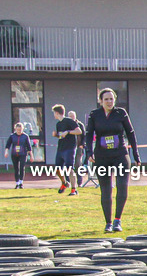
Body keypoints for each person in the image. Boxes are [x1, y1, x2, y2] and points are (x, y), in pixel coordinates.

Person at [85, 88, 141, 232]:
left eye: (111, 99)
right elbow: (89, 134)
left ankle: (117, 220)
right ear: (100, 101)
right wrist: (89, 152)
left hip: (120, 155)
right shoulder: (94, 115)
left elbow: (131, 133)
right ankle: (108, 223)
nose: (109, 102)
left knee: (122, 186)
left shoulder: (121, 113)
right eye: (106, 99)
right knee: (106, 190)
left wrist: (135, 154)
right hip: (102, 156)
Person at [51, 104, 82, 195]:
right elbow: (61, 136)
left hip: (70, 148)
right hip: (61, 148)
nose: (54, 115)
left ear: (57, 113)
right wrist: (56, 135)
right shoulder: (58, 124)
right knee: (57, 169)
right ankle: (64, 183)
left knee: (69, 169)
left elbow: (79, 131)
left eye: (54, 113)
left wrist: (68, 132)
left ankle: (74, 189)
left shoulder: (69, 121)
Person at [4, 123, 32, 189]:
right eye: (18, 130)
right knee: (16, 169)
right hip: (14, 154)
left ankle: (21, 183)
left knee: (22, 167)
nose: (19, 131)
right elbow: (8, 145)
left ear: (22, 129)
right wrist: (6, 151)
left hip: (23, 154)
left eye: (20, 130)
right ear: (15, 129)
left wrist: (31, 156)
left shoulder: (25, 136)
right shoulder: (12, 136)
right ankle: (17, 183)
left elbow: (29, 147)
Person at [68, 110, 87, 191]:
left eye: (72, 116)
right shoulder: (67, 125)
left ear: (75, 116)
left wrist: (82, 145)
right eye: (70, 116)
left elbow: (84, 135)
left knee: (78, 164)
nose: (71, 118)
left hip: (78, 147)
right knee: (69, 165)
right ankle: (69, 182)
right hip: (69, 148)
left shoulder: (80, 125)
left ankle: (79, 182)